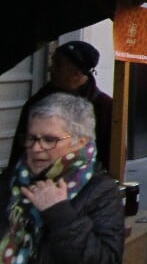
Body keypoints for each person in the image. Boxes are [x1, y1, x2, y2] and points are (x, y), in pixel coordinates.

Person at [0, 93, 124, 264]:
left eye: (49, 140)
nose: (36, 148)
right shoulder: (11, 183)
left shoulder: (100, 192)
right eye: (31, 138)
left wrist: (59, 214)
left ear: (81, 142)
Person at [10, 41, 112, 171]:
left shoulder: (104, 107)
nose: (50, 68)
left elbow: (110, 162)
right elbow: (17, 155)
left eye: (58, 64)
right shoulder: (38, 102)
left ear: (77, 74)